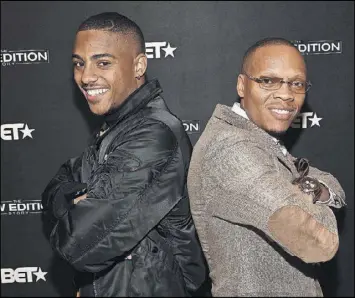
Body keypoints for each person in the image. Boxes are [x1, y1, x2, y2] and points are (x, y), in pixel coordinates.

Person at [42, 12, 210, 297]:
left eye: (103, 63)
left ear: (139, 65)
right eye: (79, 64)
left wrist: (79, 207)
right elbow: (59, 182)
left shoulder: (152, 134)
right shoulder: (118, 126)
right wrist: (71, 200)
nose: (86, 76)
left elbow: (78, 245)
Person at [187, 37, 346, 297]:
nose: (286, 94)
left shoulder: (256, 137)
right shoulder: (231, 148)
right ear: (241, 85)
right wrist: (308, 197)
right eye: (268, 81)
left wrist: (307, 188)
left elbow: (332, 187)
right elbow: (318, 242)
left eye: (296, 84)